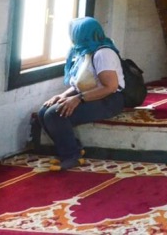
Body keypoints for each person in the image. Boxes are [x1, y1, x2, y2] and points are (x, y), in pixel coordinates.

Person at [38, 18, 126, 170]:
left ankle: (72, 156)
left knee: (55, 114)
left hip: (109, 100)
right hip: (89, 96)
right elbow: (80, 84)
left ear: (81, 34)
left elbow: (110, 87)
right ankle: (73, 148)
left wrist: (78, 99)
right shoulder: (85, 52)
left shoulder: (103, 54)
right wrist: (63, 96)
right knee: (43, 111)